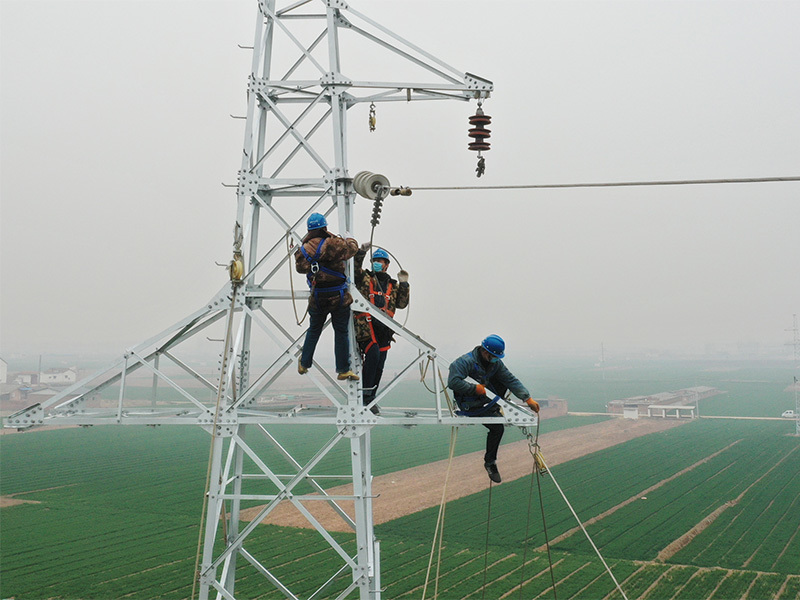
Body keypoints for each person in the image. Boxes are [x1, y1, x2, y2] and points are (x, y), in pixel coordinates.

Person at [448, 334, 539, 483]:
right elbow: (453, 382)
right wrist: (473, 389)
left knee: (502, 380)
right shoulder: (464, 362)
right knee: (498, 428)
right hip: (469, 403)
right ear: (485, 352)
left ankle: (493, 409)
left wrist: (527, 398)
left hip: (484, 398)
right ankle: (490, 463)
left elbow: (510, 379)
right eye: (494, 357)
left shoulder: (495, 364)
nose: (496, 360)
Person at [295, 213, 359, 380]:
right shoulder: (333, 243)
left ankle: (304, 363)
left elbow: (301, 268)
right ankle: (343, 369)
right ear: (324, 227)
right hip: (338, 297)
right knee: (341, 332)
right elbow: (352, 249)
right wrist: (350, 239)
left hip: (317, 298)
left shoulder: (303, 249)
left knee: (314, 330)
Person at [353, 244, 410, 414]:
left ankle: (371, 398)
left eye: (380, 261)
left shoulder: (392, 286)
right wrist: (361, 252)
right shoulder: (365, 278)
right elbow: (354, 270)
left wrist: (405, 284)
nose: (377, 263)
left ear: (387, 264)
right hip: (366, 326)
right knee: (373, 354)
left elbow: (401, 303)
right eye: (375, 260)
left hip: (384, 329)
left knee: (379, 364)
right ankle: (365, 397)